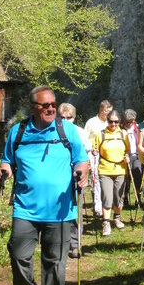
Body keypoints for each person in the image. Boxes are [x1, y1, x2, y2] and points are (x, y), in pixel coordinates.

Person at [0, 86, 89, 285]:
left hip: (60, 210)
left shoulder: (66, 129)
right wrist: (5, 169)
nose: (50, 109)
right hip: (25, 208)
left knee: (55, 265)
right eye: (44, 105)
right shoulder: (18, 132)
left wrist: (82, 172)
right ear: (32, 108)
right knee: (18, 253)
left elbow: (81, 159)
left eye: (53, 104)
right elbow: (7, 159)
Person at [58, 102, 91, 259]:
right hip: (58, 174)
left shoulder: (80, 132)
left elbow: (87, 153)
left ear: (74, 117)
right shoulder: (53, 131)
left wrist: (86, 171)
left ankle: (75, 244)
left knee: (76, 208)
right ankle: (62, 243)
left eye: (69, 117)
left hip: (76, 174)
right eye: (62, 117)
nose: (65, 120)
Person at [92, 110, 130, 236]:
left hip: (120, 169)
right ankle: (106, 223)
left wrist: (128, 156)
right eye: (111, 121)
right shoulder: (100, 134)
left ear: (119, 122)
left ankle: (117, 218)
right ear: (107, 121)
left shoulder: (123, 134)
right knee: (107, 197)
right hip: (105, 170)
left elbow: (128, 151)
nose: (113, 124)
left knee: (118, 198)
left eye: (116, 121)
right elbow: (94, 148)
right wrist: (94, 152)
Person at [84, 100, 112, 216]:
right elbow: (85, 139)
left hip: (108, 155)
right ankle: (98, 207)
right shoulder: (91, 122)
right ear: (100, 110)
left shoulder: (111, 122)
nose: (107, 114)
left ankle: (107, 203)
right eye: (106, 112)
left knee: (106, 180)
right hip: (94, 154)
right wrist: (91, 150)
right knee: (95, 180)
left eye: (109, 112)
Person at [122, 109, 142, 205]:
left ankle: (138, 196)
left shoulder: (138, 128)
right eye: (127, 122)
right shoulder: (120, 129)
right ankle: (125, 197)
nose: (129, 124)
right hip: (125, 156)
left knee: (137, 172)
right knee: (126, 177)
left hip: (136, 155)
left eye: (131, 121)